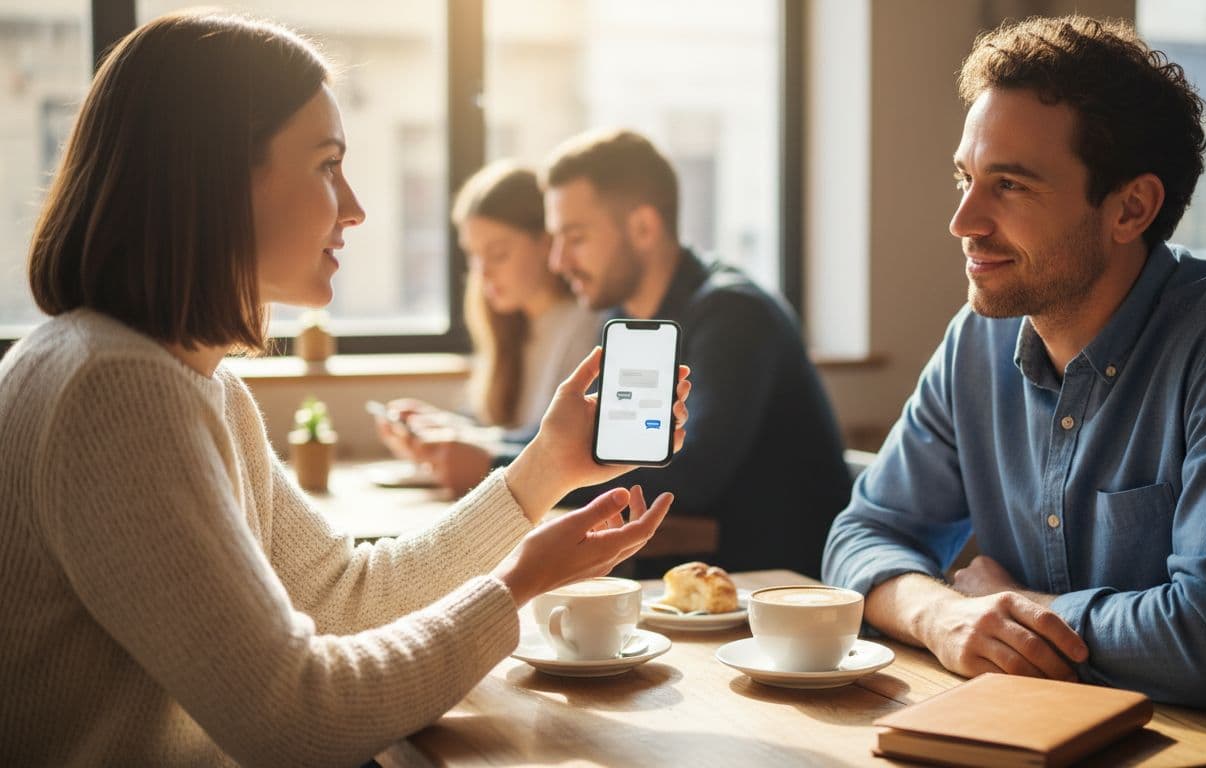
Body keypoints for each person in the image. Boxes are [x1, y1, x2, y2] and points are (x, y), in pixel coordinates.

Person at [0, 12, 690, 765]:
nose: (355, 206)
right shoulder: (117, 390)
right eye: (327, 164)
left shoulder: (196, 384)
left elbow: (342, 595)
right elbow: (294, 718)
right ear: (218, 178)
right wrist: (519, 582)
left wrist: (542, 471)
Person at [822, 15, 1206, 737]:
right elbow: (861, 534)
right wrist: (943, 613)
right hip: (1044, 737)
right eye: (966, 178)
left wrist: (1021, 609)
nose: (963, 220)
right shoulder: (978, 340)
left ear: (1131, 208)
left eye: (1008, 185)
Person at [543, 129, 852, 577]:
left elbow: (689, 478)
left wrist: (518, 471)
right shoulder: (624, 316)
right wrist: (490, 452)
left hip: (774, 593)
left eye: (575, 238)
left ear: (644, 227)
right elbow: (600, 439)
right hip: (693, 578)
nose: (558, 261)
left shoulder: (734, 315)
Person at [374, 161, 602, 493]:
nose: (482, 273)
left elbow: (549, 448)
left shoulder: (584, 327)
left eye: (497, 254)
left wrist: (464, 444)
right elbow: (506, 434)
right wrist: (441, 431)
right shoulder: (511, 329)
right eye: (473, 257)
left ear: (545, 244)